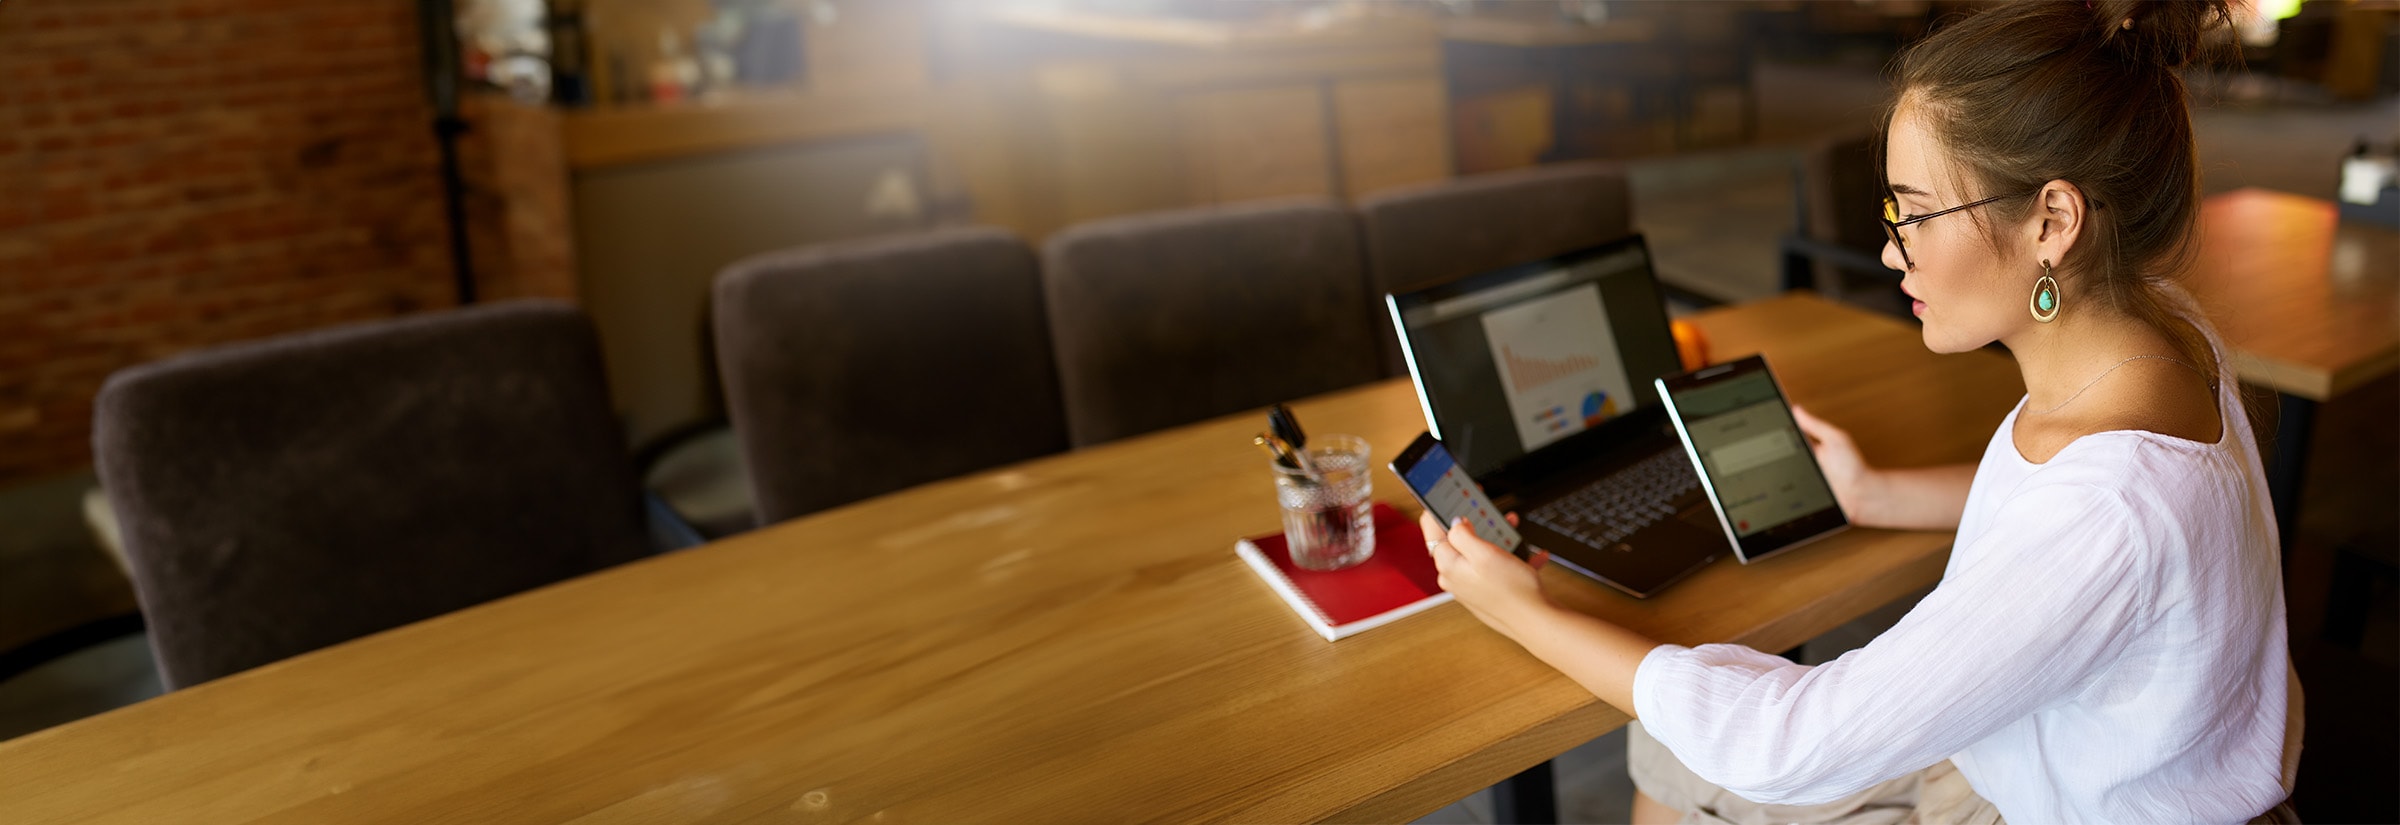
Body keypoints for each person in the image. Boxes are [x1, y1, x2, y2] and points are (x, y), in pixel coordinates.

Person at [1418, 1, 2300, 822]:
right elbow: (2081, 518)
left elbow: (1789, 741)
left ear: (2052, 219)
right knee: (1678, 727)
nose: (1888, 250)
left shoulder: (2108, 512)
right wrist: (1876, 492)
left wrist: (1521, 611)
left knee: (1683, 736)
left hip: (2048, 802)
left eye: (1914, 214)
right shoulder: (2161, 326)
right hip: (2095, 756)